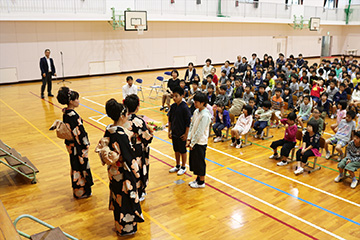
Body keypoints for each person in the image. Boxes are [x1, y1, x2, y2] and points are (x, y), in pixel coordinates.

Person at [95, 99, 144, 236]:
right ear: (122, 115)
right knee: (125, 199)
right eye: (126, 114)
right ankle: (126, 228)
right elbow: (129, 158)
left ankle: (118, 225)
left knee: (117, 197)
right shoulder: (120, 134)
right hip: (123, 172)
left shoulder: (109, 130)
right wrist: (137, 173)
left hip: (113, 171)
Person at [56, 87, 93, 199]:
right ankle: (82, 191)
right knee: (80, 166)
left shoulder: (66, 112)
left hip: (71, 145)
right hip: (77, 146)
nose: (78, 101)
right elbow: (79, 132)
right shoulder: (72, 115)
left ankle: (79, 191)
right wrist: (86, 144)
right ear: (71, 101)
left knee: (75, 165)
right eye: (77, 99)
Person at [124, 94, 153, 201]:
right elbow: (147, 138)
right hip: (137, 152)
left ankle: (129, 191)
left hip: (126, 151)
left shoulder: (122, 119)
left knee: (129, 171)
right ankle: (139, 192)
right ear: (137, 107)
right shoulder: (139, 121)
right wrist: (150, 132)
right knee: (139, 171)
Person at [187, 92, 212, 188]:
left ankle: (201, 182)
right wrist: (189, 138)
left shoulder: (205, 115)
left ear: (202, 103)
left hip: (200, 142)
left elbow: (200, 131)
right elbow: (192, 125)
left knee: (200, 162)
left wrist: (192, 143)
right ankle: (197, 179)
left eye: (196, 102)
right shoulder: (196, 112)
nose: (194, 103)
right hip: (193, 140)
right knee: (195, 162)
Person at [168, 87, 191, 175]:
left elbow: (188, 123)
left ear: (182, 96)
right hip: (174, 132)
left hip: (182, 133)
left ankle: (183, 166)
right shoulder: (173, 106)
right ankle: (177, 165)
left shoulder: (185, 108)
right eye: (173, 96)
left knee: (183, 150)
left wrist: (186, 134)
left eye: (176, 96)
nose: (174, 98)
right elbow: (170, 120)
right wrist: (169, 131)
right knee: (176, 150)